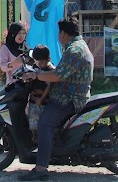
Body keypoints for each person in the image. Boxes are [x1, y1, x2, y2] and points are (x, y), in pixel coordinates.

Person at [17, 16, 94, 181]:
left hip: (69, 98)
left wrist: (35, 74)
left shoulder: (74, 50)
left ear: (64, 33)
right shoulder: (77, 46)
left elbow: (57, 75)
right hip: (68, 94)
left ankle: (41, 168)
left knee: (45, 123)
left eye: (59, 33)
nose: (58, 36)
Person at [26, 44, 54, 144]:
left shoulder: (50, 70)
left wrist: (42, 98)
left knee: (42, 123)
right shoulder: (35, 67)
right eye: (37, 61)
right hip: (33, 99)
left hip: (44, 102)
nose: (39, 64)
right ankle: (34, 138)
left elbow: (49, 86)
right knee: (32, 121)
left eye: (41, 62)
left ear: (48, 59)